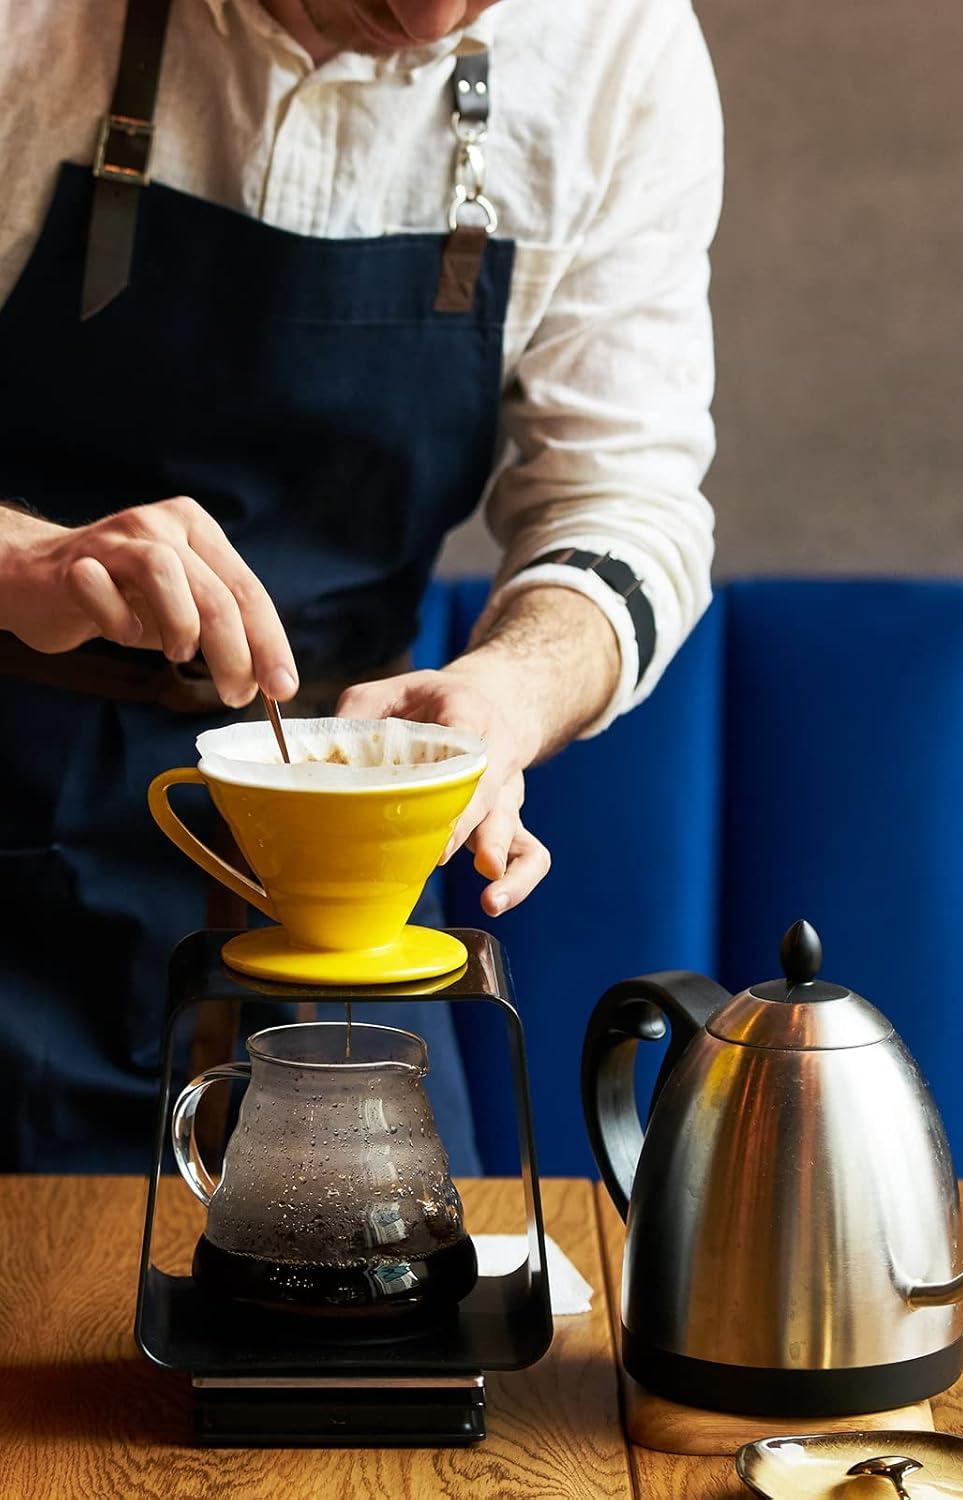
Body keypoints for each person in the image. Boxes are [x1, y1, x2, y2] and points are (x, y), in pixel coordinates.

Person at [0, 0, 721, 1172]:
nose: (432, 14)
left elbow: (626, 498)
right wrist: (18, 559)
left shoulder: (615, 40)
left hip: (351, 886)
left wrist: (509, 696)